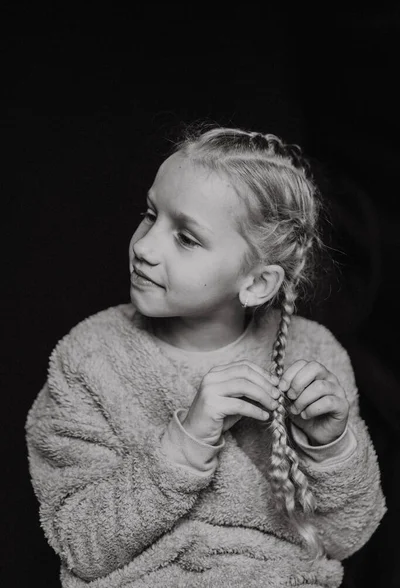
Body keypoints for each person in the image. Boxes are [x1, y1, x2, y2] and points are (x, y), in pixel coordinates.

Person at [25, 125, 386, 588]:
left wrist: (330, 447)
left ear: (257, 283)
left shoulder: (314, 353)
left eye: (186, 238)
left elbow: (347, 537)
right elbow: (80, 544)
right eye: (149, 214)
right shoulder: (88, 358)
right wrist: (187, 440)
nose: (143, 246)